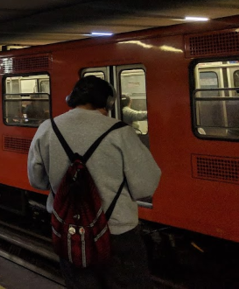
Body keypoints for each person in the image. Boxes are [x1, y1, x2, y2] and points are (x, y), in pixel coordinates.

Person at [27, 76, 161, 289]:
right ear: (108, 103)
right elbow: (145, 185)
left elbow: (37, 180)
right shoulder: (120, 132)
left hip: (69, 232)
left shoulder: (48, 128)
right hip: (117, 232)